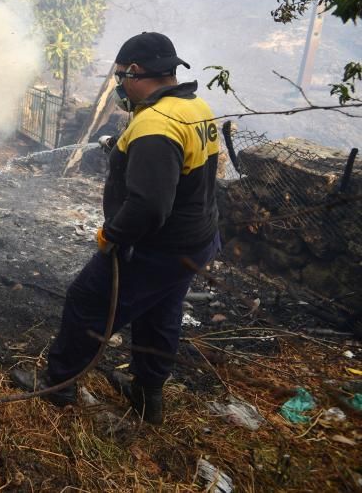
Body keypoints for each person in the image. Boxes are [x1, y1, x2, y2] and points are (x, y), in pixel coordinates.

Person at [13, 31, 221, 424]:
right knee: (160, 314)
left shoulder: (155, 126)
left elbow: (148, 206)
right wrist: (124, 149)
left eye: (120, 77)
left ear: (136, 71)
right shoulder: (195, 108)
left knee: (85, 301)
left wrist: (111, 237)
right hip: (196, 243)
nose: (119, 86)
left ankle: (59, 385)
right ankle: (148, 397)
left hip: (156, 248)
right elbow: (178, 168)